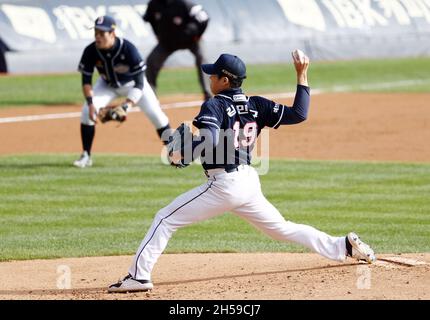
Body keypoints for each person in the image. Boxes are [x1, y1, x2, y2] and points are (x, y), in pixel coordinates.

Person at [108, 52, 376, 293]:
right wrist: (301, 74)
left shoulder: (213, 105)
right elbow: (299, 113)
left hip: (224, 185)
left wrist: (183, 155)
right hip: (248, 181)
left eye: (213, 74)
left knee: (165, 218)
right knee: (282, 229)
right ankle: (343, 246)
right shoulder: (256, 104)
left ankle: (139, 277)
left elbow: (210, 140)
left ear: (225, 80)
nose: (210, 78)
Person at [73, 15, 171, 168]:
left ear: (112, 33)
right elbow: (86, 80)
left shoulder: (128, 48)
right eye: (96, 33)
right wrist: (91, 104)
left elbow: (140, 82)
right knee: (87, 112)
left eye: (102, 33)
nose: (98, 37)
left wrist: (126, 105)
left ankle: (174, 153)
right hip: (107, 85)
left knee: (156, 115)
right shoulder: (91, 51)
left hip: (134, 85)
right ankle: (86, 155)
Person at [143, 0, 212, 100]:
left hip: (191, 39)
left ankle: (208, 93)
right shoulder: (154, 4)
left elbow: (204, 17)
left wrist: (199, 34)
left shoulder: (184, 3)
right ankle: (150, 95)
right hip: (168, 42)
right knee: (151, 61)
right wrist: (157, 34)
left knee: (202, 58)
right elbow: (150, 19)